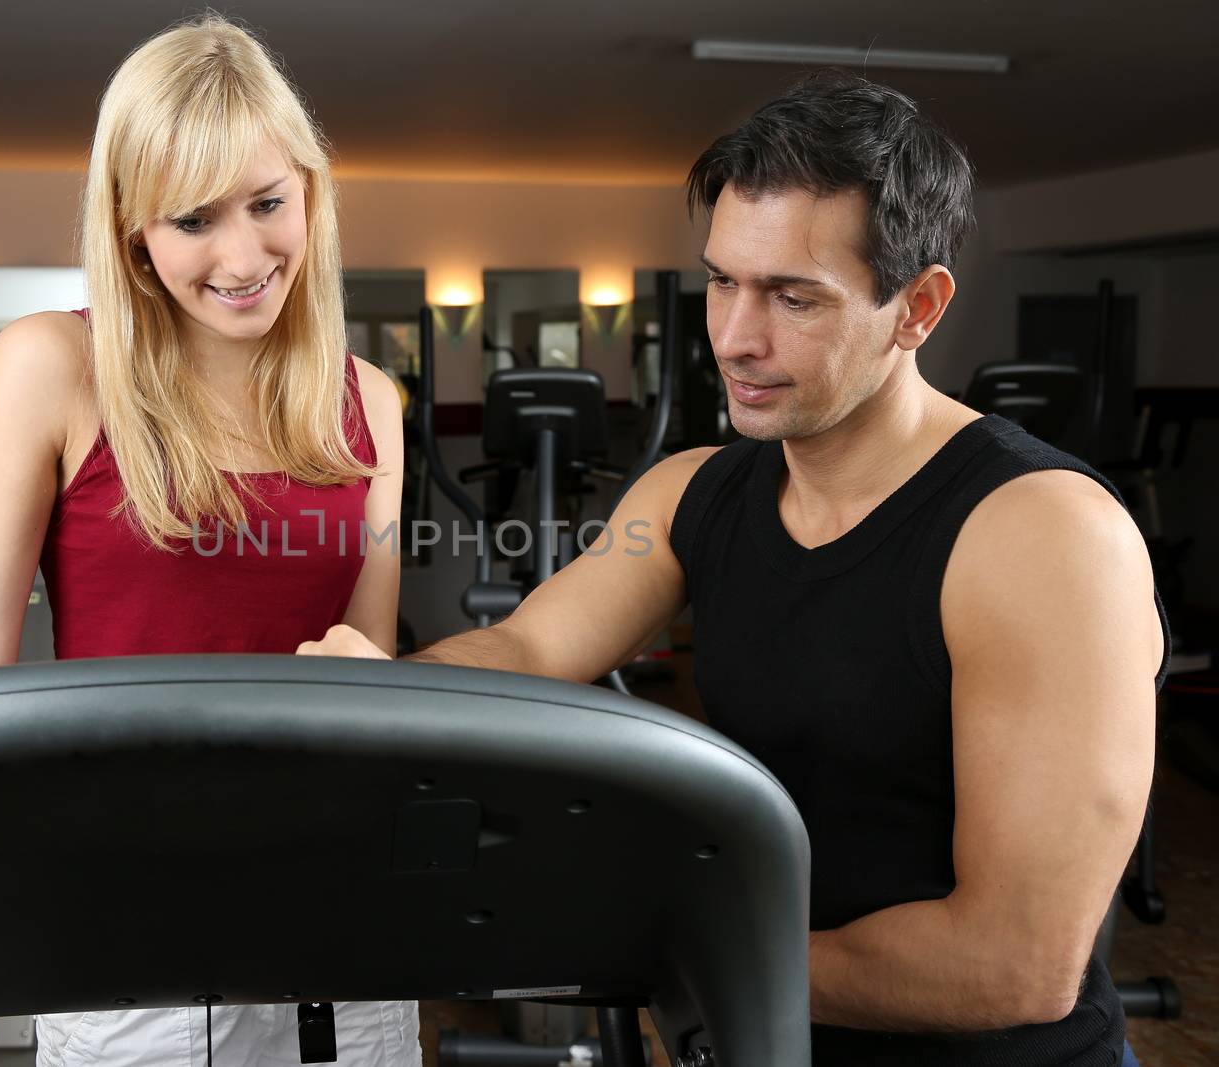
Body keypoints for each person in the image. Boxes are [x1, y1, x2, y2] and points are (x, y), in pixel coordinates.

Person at [301, 71, 1163, 1067]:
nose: (736, 339)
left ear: (917, 307)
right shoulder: (692, 492)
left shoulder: (1041, 534)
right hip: (766, 1036)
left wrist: (666, 945)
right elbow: (530, 642)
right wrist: (368, 699)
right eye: (722, 280)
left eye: (794, 296)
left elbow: (1013, 964)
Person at [0, 15, 414, 1067]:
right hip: (125, 895)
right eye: (193, 219)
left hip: (334, 895)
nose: (244, 255)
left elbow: (369, 667)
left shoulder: (371, 403)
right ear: (135, 229)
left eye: (269, 203)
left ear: (311, 193)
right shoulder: (51, 366)